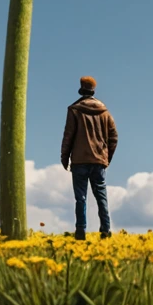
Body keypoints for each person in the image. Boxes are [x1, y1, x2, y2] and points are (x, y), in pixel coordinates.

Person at [60, 75, 118, 240]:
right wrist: (106, 158)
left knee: (81, 198)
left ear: (81, 89)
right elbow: (114, 137)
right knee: (101, 197)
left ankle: (80, 232)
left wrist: (65, 157)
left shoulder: (74, 110)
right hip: (99, 161)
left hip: (79, 161)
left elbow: (68, 136)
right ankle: (106, 230)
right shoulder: (105, 112)